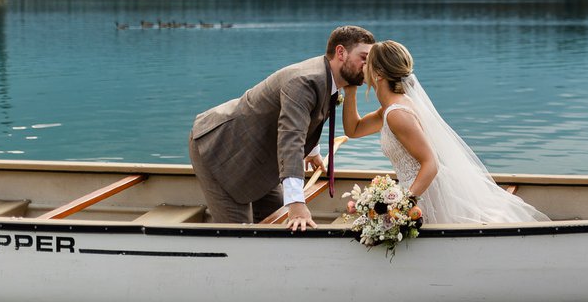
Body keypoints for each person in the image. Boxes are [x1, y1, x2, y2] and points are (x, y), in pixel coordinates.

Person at [189, 25, 375, 230]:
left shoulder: (327, 78)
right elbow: (291, 138)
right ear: (341, 52)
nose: (368, 66)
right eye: (364, 57)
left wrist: (312, 151)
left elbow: (307, 118)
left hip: (259, 157)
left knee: (278, 213)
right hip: (222, 150)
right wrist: (296, 204)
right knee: (239, 235)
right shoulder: (304, 81)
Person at [342, 40, 549, 225]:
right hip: (412, 191)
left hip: (425, 194)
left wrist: (404, 203)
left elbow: (430, 163)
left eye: (367, 62)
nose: (363, 66)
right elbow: (354, 129)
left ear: (378, 74)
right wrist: (350, 91)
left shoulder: (397, 114)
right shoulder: (388, 109)